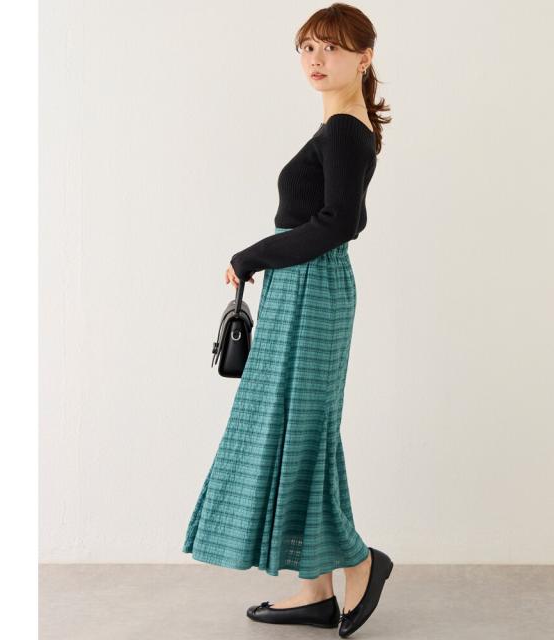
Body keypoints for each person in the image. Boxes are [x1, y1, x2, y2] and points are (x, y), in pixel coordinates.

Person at [182, 4, 393, 636]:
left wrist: (251, 256)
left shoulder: (346, 130)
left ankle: (358, 561)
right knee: (299, 430)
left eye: (332, 48)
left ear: (364, 58)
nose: (316, 60)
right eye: (307, 48)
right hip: (302, 284)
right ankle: (315, 589)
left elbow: (339, 223)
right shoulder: (338, 126)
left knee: (301, 431)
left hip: (312, 285)